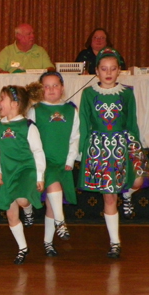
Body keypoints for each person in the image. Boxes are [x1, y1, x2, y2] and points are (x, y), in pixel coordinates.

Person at [78, 47, 148, 258]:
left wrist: (136, 148)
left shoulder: (127, 93)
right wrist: (83, 151)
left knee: (138, 179)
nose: (108, 73)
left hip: (123, 144)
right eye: (103, 69)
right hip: (100, 148)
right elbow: (84, 122)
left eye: (113, 69)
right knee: (109, 197)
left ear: (119, 71)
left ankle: (126, 195)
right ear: (96, 71)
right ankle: (115, 242)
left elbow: (131, 122)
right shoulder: (89, 94)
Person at [0, 83, 45, 264]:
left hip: (25, 170)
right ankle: (23, 247)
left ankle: (28, 209)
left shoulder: (28, 126)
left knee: (22, 200)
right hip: (7, 172)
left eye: (2, 99)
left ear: (14, 103)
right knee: (11, 214)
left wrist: (39, 176)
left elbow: (38, 152)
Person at [27, 72, 80, 257]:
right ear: (41, 89)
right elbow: (30, 137)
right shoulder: (36, 109)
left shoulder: (71, 110)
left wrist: (70, 159)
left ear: (62, 87)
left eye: (55, 85)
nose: (51, 90)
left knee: (51, 202)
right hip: (44, 161)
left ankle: (48, 242)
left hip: (62, 161)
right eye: (46, 86)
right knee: (54, 188)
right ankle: (60, 221)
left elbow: (75, 137)